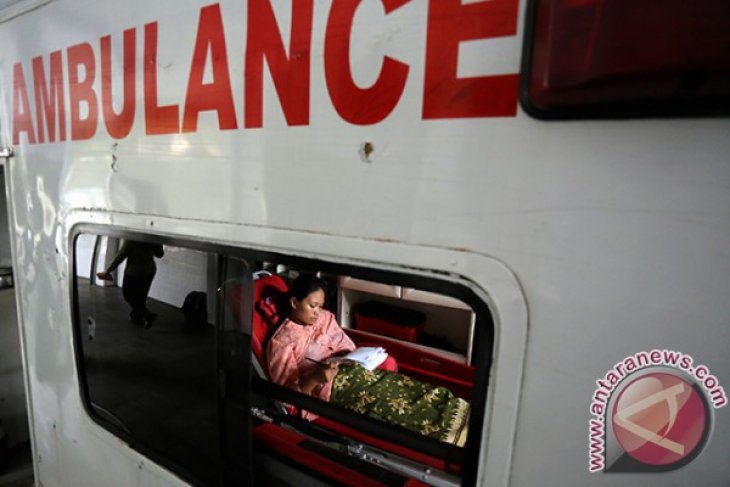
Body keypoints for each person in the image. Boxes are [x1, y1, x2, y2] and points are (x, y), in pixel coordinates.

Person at [266, 275, 469, 446]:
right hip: (336, 388)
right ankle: (450, 435)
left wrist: (352, 357)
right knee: (393, 406)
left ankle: (462, 413)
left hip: (356, 370)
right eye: (312, 306)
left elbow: (345, 344)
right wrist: (315, 378)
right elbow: (287, 398)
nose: (317, 313)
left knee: (405, 387)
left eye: (321, 306)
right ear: (294, 302)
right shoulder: (282, 343)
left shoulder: (325, 318)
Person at [96, 240, 164, 328]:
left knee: (128, 294)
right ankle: (137, 318)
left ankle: (146, 315)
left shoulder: (132, 239)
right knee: (141, 297)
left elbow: (121, 256)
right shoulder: (151, 237)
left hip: (134, 272)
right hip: (149, 271)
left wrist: (108, 270)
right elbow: (160, 254)